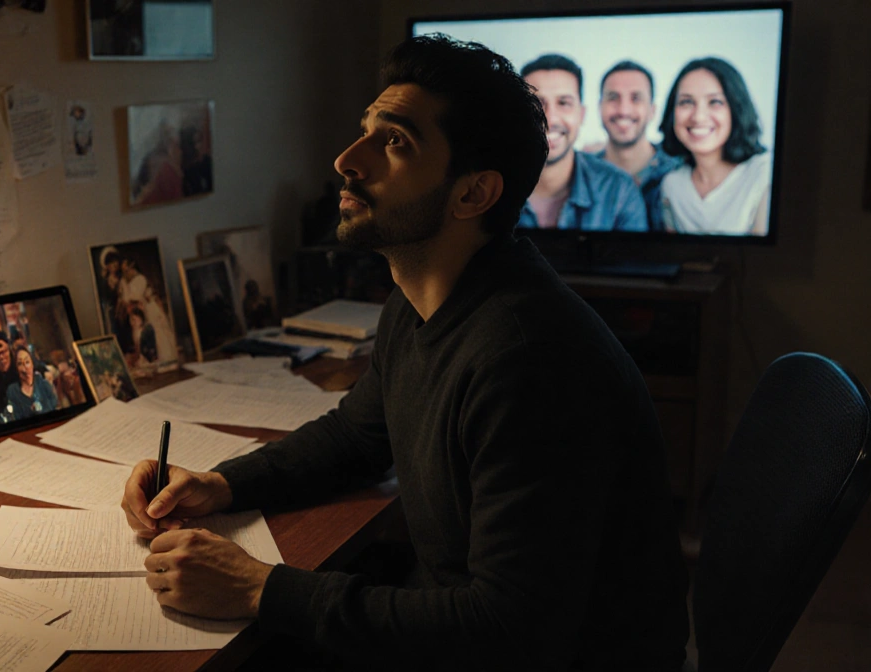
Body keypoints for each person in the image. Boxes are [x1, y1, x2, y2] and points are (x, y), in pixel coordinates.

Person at [121, 36, 687, 670]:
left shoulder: (528, 360)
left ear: (473, 194)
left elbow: (510, 630)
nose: (345, 159)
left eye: (394, 142)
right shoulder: (421, 300)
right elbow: (357, 436)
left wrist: (259, 588)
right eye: (366, 131)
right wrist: (221, 484)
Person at [516, 54, 648, 232]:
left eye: (564, 103)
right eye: (537, 103)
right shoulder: (489, 189)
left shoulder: (618, 190)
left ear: (582, 114)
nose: (550, 118)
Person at [658, 57, 771, 235]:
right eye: (686, 102)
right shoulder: (672, 186)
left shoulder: (764, 173)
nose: (698, 117)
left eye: (715, 102)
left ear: (736, 109)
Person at [593, 60, 683, 231]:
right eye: (613, 98)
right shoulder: (581, 175)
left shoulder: (678, 171)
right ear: (599, 108)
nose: (623, 110)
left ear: (652, 110)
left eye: (636, 98)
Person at [5, 348, 60, 419]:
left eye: (27, 362)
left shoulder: (44, 384)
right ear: (16, 368)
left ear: (32, 364)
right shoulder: (12, 391)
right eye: (20, 363)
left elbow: (55, 408)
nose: (25, 367)